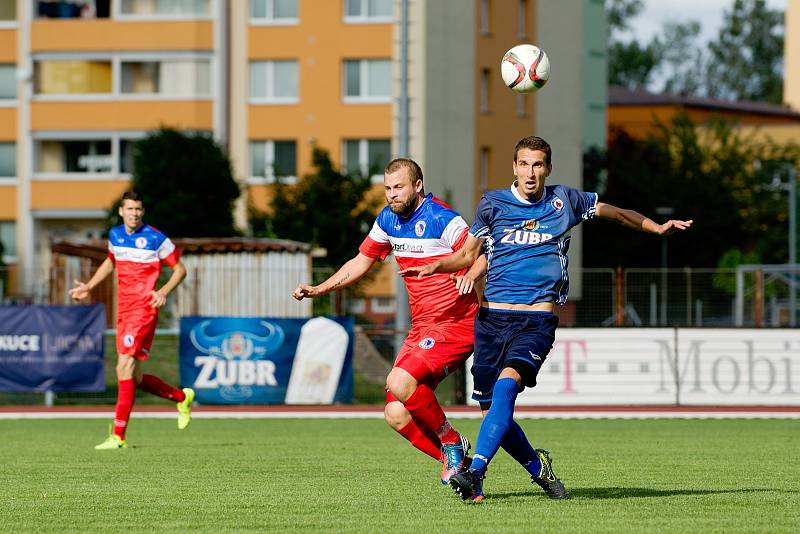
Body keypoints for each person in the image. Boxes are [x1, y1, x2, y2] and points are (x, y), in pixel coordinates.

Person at [401, 136, 693, 501]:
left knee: (508, 387)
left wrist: (655, 227)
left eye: (538, 164)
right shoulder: (493, 204)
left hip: (535, 322)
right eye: (524, 164)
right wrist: (436, 266)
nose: (530, 172)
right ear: (514, 167)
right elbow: (467, 255)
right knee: (495, 414)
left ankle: (475, 472)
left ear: (548, 169)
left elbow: (614, 213)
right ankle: (540, 471)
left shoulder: (565, 200)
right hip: (491, 321)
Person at [292, 158, 483, 484]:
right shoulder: (388, 221)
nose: (392, 194)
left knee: (399, 381)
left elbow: (477, 253)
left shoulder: (442, 217)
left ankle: (451, 441)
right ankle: (458, 467)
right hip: (422, 328)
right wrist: (317, 289)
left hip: (455, 323)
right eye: (388, 189)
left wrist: (471, 276)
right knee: (395, 414)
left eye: (399, 187)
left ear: (418, 185)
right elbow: (360, 262)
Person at [70, 191, 195, 450]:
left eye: (138, 209)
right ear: (121, 211)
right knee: (133, 377)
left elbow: (181, 270)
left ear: (143, 211)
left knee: (123, 367)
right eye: (130, 209)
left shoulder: (157, 238)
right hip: (124, 311)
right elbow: (111, 262)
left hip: (144, 310)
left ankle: (119, 436)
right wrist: (89, 287)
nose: (134, 213)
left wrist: (162, 292)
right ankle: (181, 397)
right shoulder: (115, 235)